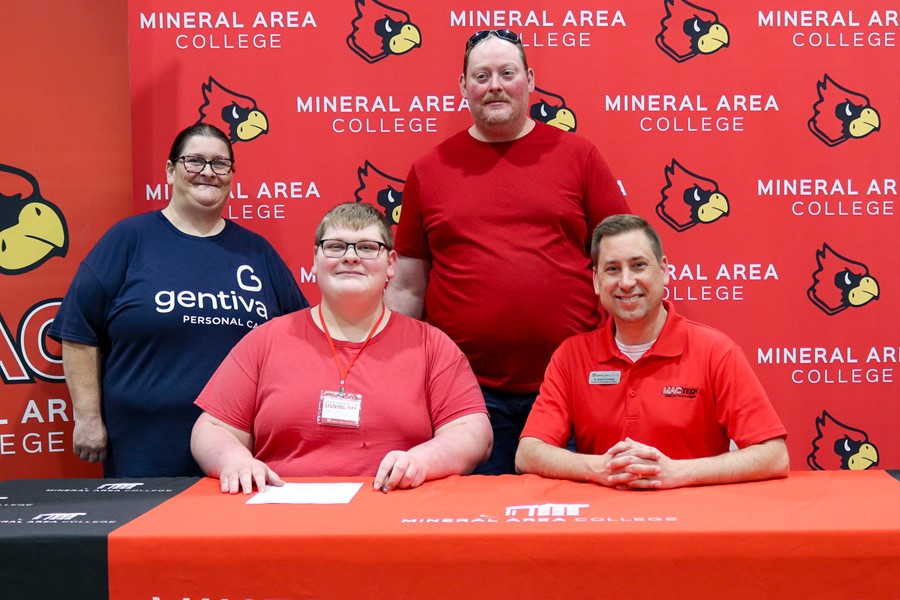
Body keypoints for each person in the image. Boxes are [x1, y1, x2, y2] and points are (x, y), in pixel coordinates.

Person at [385, 29, 631, 475]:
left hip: (572, 386)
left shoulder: (579, 156)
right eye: (481, 75)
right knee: (476, 533)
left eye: (507, 72)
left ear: (529, 80)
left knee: (572, 526)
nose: (494, 84)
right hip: (465, 395)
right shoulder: (428, 170)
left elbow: (625, 257)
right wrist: (390, 372)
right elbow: (406, 286)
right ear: (463, 87)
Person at [49, 123, 308, 478]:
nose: (208, 172)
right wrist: (88, 417)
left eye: (220, 164)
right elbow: (79, 331)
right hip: (142, 447)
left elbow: (301, 336)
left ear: (232, 175)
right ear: (171, 171)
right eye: (194, 161)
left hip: (239, 451)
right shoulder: (129, 240)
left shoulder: (257, 252)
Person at [191, 202, 492, 494]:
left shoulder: (432, 346)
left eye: (367, 247)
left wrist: (421, 462)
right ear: (315, 259)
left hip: (396, 510)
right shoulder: (265, 341)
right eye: (335, 246)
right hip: (280, 513)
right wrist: (234, 460)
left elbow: (471, 432)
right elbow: (213, 428)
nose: (350, 257)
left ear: (391, 264)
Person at [516, 214, 789, 489]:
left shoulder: (716, 351)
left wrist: (677, 473)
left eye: (638, 265)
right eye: (612, 269)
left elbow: (774, 456)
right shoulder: (572, 356)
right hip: (603, 524)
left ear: (664, 270)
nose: (626, 282)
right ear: (597, 281)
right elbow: (528, 453)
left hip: (697, 522)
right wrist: (600, 468)